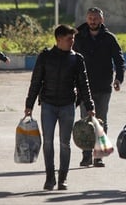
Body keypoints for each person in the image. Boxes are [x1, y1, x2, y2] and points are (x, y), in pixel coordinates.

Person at [24, 24, 95, 191]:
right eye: (69, 39)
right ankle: (50, 178)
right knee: (47, 142)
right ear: (58, 39)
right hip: (48, 105)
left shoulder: (77, 59)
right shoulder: (45, 57)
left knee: (65, 143)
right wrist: (29, 104)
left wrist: (90, 106)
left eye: (73, 39)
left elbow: (84, 84)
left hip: (67, 105)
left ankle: (62, 178)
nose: (72, 42)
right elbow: (36, 82)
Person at [73, 7, 126, 167]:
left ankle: (99, 155)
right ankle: (86, 155)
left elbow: (119, 60)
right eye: (90, 18)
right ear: (86, 19)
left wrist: (119, 79)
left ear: (102, 20)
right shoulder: (78, 37)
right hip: (84, 87)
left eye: (95, 18)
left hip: (103, 86)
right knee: (85, 122)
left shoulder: (109, 38)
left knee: (101, 121)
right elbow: (71, 59)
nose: (93, 21)